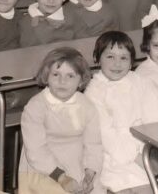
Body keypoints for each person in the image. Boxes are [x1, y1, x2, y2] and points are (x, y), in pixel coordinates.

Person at [19, 47, 103, 194]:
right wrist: (61, 177)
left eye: (70, 76)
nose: (62, 81)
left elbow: (93, 144)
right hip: (43, 167)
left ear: (81, 80)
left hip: (77, 162)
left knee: (96, 189)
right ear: (46, 76)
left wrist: (90, 173)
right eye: (56, 74)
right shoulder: (35, 107)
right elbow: (35, 151)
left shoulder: (87, 105)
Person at [85, 31, 150, 193]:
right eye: (110, 57)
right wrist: (136, 157)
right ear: (97, 59)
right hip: (115, 158)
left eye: (123, 58)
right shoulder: (94, 91)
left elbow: (152, 115)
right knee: (124, 185)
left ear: (131, 62)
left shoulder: (138, 80)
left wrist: (148, 151)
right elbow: (106, 135)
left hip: (144, 149)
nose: (117, 64)